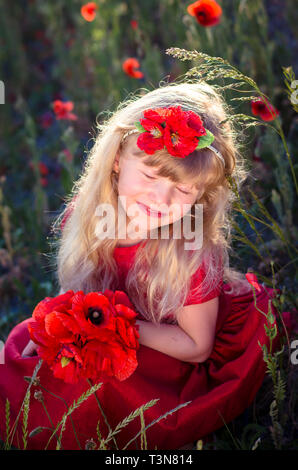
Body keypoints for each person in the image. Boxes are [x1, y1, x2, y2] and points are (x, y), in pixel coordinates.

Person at [0, 82, 280, 450]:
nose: (161, 200)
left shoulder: (189, 251)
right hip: (115, 334)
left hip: (169, 354)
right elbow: (82, 292)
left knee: (95, 382)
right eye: (150, 176)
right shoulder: (87, 218)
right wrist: (74, 324)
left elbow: (197, 347)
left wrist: (118, 327)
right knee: (34, 350)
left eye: (183, 191)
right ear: (117, 160)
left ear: (201, 195)